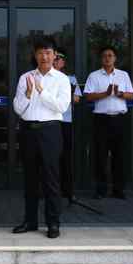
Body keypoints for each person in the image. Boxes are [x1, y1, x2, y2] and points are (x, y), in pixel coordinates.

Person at [12, 36, 72, 239]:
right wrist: (28, 93)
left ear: (55, 55)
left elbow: (61, 107)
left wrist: (42, 91)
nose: (44, 56)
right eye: (40, 52)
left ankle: (53, 223)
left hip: (50, 131)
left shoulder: (62, 79)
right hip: (28, 130)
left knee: (51, 179)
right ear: (34, 55)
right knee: (30, 178)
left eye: (48, 52)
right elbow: (18, 109)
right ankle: (30, 221)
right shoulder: (25, 77)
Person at [84, 46, 133, 200]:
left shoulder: (123, 75)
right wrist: (105, 93)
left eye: (111, 55)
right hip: (101, 120)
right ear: (101, 59)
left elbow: (132, 95)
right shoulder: (94, 76)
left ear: (115, 58)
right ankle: (101, 189)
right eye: (105, 55)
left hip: (119, 119)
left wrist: (120, 94)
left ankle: (118, 190)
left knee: (120, 156)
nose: (108, 58)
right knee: (100, 156)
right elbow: (88, 96)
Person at [53, 49, 82, 204]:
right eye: (55, 58)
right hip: (50, 121)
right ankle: (50, 189)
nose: (57, 61)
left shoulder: (70, 78)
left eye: (59, 59)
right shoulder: (45, 77)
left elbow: (76, 99)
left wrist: (64, 95)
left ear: (63, 62)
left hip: (65, 121)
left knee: (67, 157)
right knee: (51, 157)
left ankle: (68, 190)